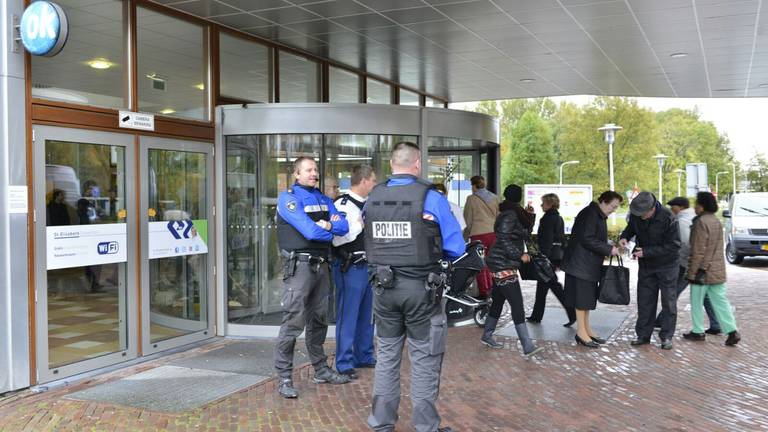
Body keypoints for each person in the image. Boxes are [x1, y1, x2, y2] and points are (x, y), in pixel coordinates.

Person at [365, 142, 463, 432]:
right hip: (421, 291)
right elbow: (455, 247)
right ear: (417, 164)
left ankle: (382, 424)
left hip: (383, 290)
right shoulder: (430, 197)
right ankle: (425, 427)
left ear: (392, 164)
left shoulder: (374, 196)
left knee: (386, 358)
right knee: (424, 360)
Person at [274, 156, 352, 399]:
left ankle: (320, 370)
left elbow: (344, 226)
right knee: (293, 322)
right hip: (300, 268)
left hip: (321, 267)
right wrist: (327, 227)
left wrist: (326, 226)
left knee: (319, 320)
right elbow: (308, 230)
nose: (313, 173)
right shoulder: (289, 198)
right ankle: (284, 377)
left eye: (315, 169)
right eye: (308, 170)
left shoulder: (323, 199)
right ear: (296, 174)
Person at [480, 184, 544, 357]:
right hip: (503, 263)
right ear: (518, 197)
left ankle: (487, 335)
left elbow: (524, 233)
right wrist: (519, 255)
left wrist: (530, 215)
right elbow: (503, 238)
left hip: (503, 261)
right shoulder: (509, 214)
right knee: (517, 303)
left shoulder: (513, 213)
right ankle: (527, 345)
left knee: (499, 301)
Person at [332, 165, 378, 380]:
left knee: (367, 316)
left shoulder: (367, 204)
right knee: (348, 315)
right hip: (350, 267)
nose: (375, 185)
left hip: (368, 267)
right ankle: (343, 362)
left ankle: (364, 355)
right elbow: (337, 237)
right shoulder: (343, 204)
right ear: (364, 181)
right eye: (373, 181)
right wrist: (359, 226)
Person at [619, 191, 681, 350]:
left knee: (668, 302)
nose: (641, 217)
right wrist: (624, 237)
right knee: (645, 300)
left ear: (653, 208)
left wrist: (647, 252)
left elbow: (674, 245)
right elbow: (630, 228)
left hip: (667, 265)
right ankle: (643, 335)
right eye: (638, 214)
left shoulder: (668, 217)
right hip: (646, 266)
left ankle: (666, 337)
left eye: (643, 214)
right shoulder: (636, 215)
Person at [561, 191, 622, 348]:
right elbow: (587, 239)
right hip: (581, 264)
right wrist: (608, 249)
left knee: (586, 299)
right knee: (581, 299)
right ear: (603, 201)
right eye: (612, 206)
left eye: (616, 208)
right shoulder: (591, 214)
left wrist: (609, 246)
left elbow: (592, 237)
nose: (613, 210)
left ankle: (586, 329)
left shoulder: (596, 214)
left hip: (585, 264)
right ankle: (581, 332)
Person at [683, 192, 741, 346]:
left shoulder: (700, 222)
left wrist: (693, 271)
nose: (695, 207)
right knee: (721, 302)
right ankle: (732, 331)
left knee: (696, 301)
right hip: (718, 270)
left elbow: (698, 251)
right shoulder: (716, 221)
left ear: (702, 206)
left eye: (696, 204)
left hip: (702, 271)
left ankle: (697, 331)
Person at [656, 197, 721, 333]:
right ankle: (716, 324)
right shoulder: (693, 217)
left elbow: (686, 244)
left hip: (687, 264)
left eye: (672, 206)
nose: (671, 209)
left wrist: (683, 261)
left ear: (679, 207)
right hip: (696, 263)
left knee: (674, 291)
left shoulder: (682, 221)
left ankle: (661, 320)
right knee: (704, 294)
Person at [527, 193, 577, 327]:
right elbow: (561, 238)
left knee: (553, 286)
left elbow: (547, 240)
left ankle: (572, 313)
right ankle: (537, 315)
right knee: (544, 286)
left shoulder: (547, 219)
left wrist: (543, 257)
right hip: (555, 256)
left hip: (548, 256)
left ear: (549, 204)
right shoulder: (558, 217)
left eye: (543, 203)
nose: (541, 205)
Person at [462, 175, 499, 298]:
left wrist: (464, 238)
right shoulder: (494, 198)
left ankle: (484, 291)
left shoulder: (471, 199)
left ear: (473, 186)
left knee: (479, 264)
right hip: (493, 234)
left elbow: (468, 220)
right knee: (490, 263)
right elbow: (498, 216)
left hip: (478, 235)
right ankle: (493, 289)